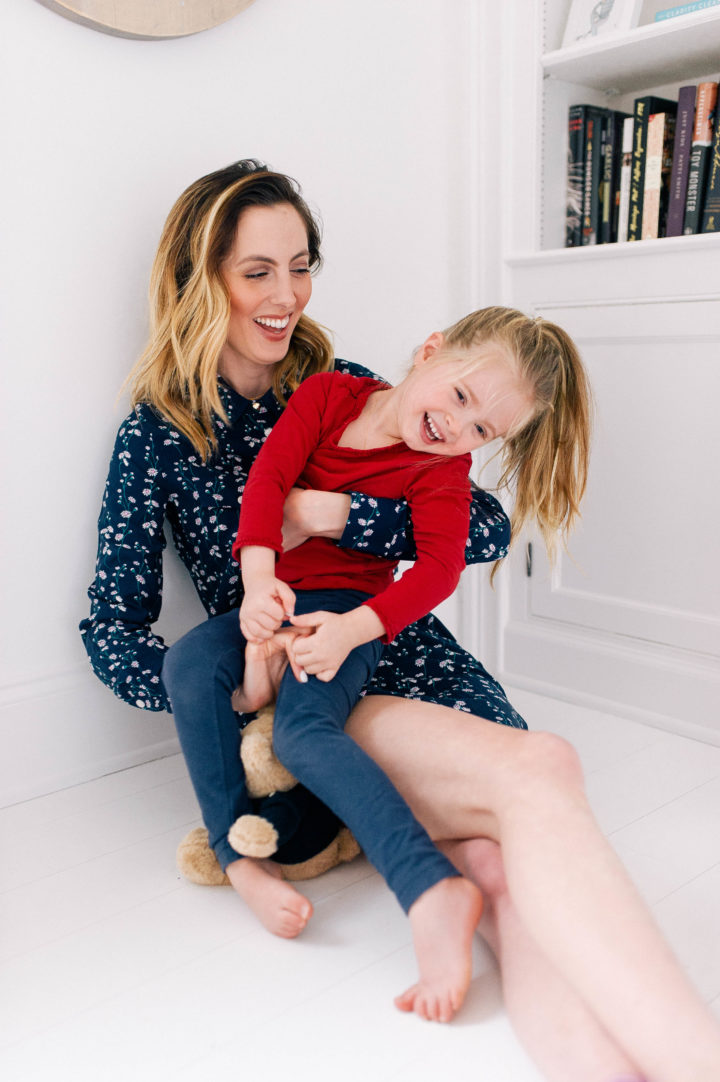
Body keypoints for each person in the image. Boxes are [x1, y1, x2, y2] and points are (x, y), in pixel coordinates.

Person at [80, 160, 720, 1079]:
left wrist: (337, 515)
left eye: (300, 266)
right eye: (257, 270)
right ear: (201, 276)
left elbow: (476, 527)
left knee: (501, 856)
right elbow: (111, 624)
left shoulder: (338, 380)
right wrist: (232, 692)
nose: (286, 295)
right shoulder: (159, 430)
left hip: (394, 642)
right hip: (303, 677)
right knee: (537, 778)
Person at [230, 317, 543, 1018]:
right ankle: (252, 848)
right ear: (429, 352)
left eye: (482, 430)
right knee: (278, 734)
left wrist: (331, 526)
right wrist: (258, 579)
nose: (458, 427)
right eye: (461, 397)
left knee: (501, 782)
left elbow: (441, 565)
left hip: (355, 624)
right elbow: (268, 479)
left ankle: (501, 929)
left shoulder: (442, 466)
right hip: (283, 616)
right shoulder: (329, 396)